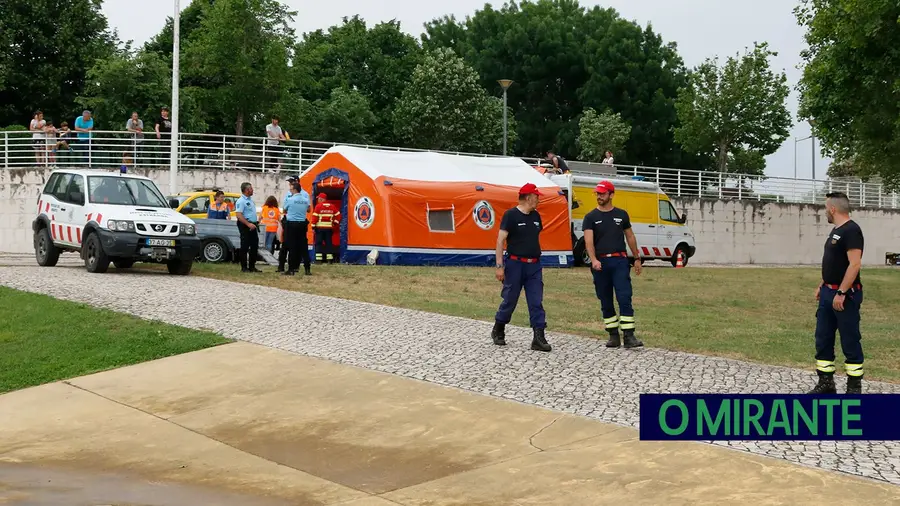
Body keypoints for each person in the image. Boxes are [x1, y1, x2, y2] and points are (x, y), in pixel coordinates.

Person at [808, 192, 865, 394]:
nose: (825, 212)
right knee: (823, 338)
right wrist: (822, 284)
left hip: (844, 296)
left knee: (849, 339)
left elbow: (854, 264)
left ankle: (854, 388)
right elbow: (834, 263)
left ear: (833, 208)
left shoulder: (852, 230)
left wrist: (841, 292)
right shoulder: (835, 230)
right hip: (827, 293)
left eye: (826, 208)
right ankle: (826, 384)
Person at [490, 183, 552, 352]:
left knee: (536, 301)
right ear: (528, 197)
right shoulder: (511, 215)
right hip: (515, 264)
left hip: (534, 265)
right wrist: (499, 266)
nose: (538, 200)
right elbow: (500, 241)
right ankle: (499, 328)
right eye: (536, 196)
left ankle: (538, 337)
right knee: (510, 299)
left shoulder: (536, 216)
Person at [582, 180, 644, 349]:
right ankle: (613, 335)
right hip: (601, 263)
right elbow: (588, 242)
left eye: (602, 193)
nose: (599, 196)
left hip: (620, 261)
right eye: (597, 194)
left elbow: (630, 237)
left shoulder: (622, 215)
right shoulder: (590, 217)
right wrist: (593, 260)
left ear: (611, 195)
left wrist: (636, 257)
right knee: (605, 298)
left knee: (624, 296)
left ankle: (629, 336)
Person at [282, 183, 312, 276]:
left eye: (291, 188)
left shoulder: (290, 200)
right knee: (303, 247)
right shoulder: (305, 200)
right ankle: (307, 269)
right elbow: (308, 210)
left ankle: (291, 269)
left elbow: (284, 210)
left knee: (292, 247)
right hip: (302, 225)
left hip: (291, 225)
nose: (290, 189)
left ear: (294, 189)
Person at [234, 182, 261, 273]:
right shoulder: (241, 201)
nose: (252, 190)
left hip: (253, 225)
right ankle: (244, 267)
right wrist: (248, 224)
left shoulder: (250, 200)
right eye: (251, 189)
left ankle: (252, 267)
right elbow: (239, 215)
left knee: (254, 246)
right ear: (246, 190)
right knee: (245, 246)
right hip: (245, 225)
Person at [311, 193, 340, 264]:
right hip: (329, 229)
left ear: (321, 199)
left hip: (319, 229)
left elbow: (315, 218)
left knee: (318, 243)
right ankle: (329, 260)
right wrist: (335, 223)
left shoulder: (318, 207)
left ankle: (318, 260)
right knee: (329, 244)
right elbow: (338, 215)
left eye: (318, 199)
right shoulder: (332, 206)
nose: (318, 200)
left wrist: (313, 226)